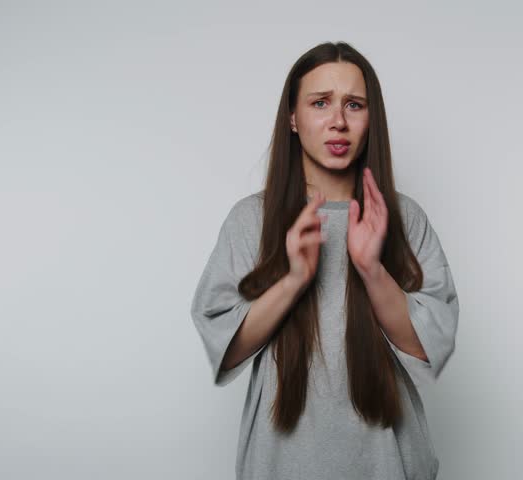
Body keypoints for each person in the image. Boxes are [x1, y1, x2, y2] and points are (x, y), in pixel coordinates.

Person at [191, 41, 459, 480]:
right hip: (280, 463)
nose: (338, 121)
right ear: (293, 118)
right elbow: (227, 345)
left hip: (388, 462)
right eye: (321, 103)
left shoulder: (405, 218)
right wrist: (294, 279)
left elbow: (428, 347)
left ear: (372, 119)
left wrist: (372, 270)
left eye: (354, 105)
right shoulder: (250, 220)